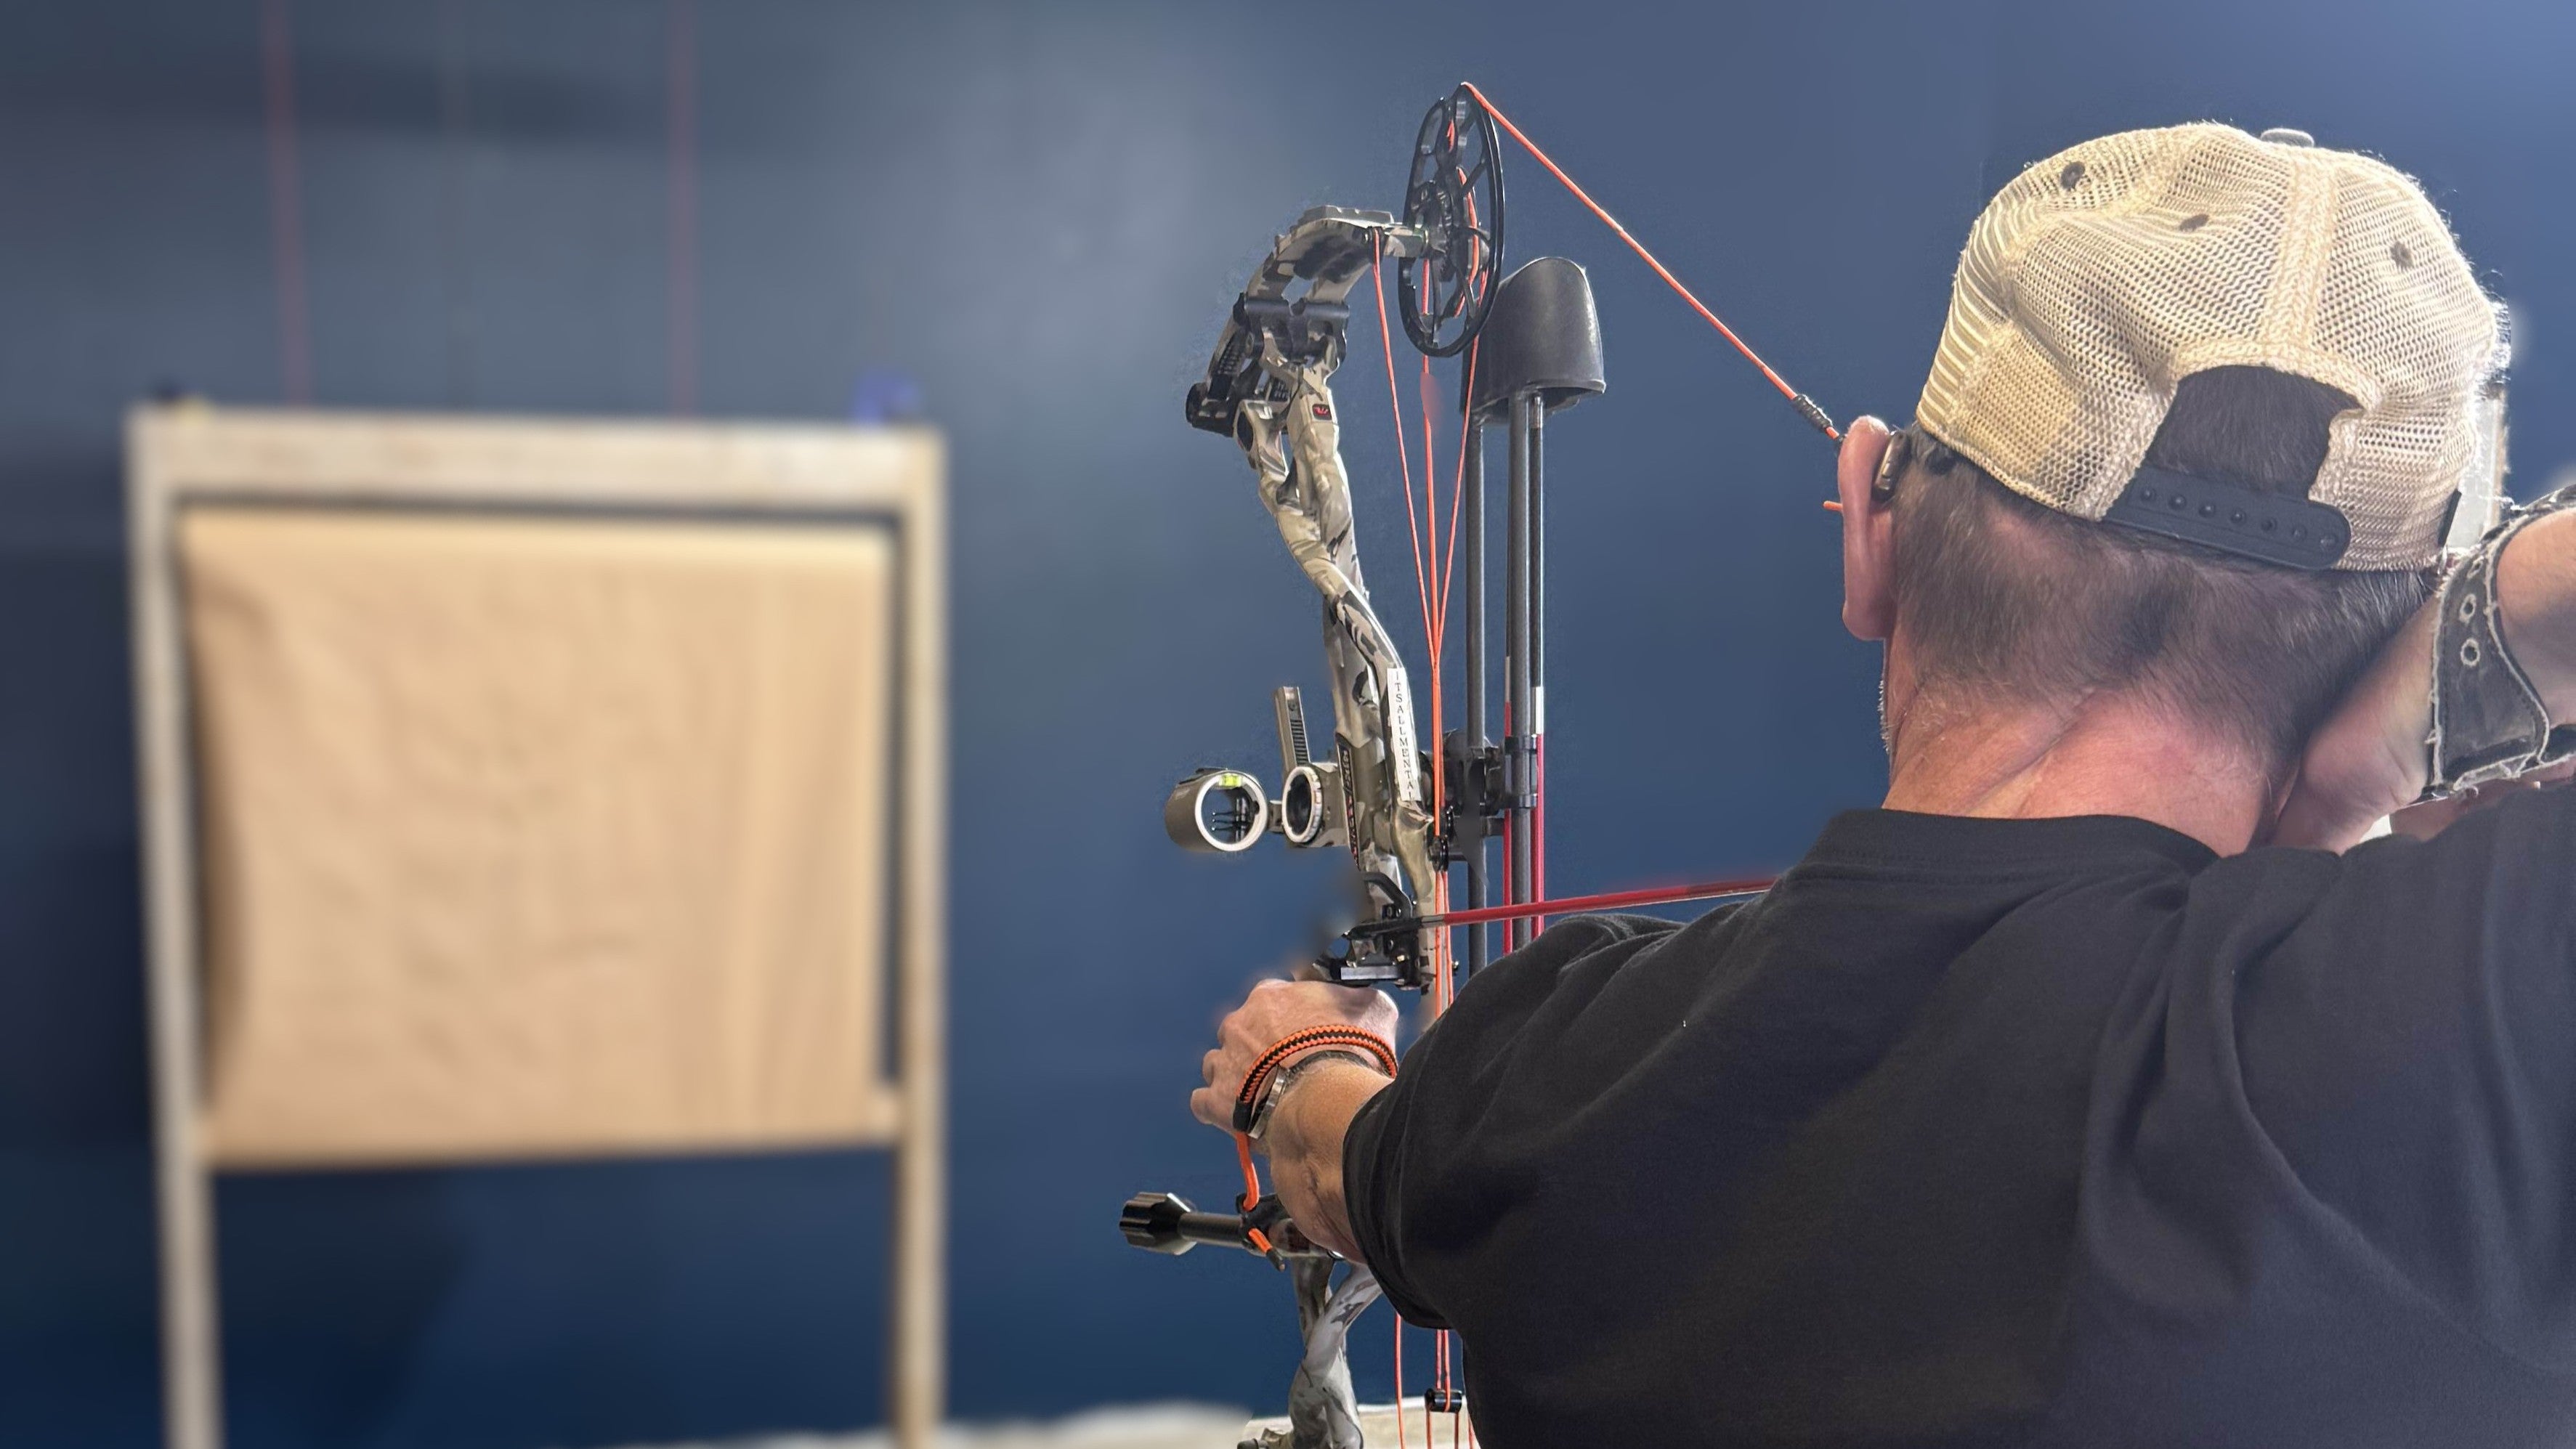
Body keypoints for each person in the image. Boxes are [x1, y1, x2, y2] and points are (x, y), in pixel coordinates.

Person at [1187, 123, 2576, 1446]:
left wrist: (1296, 1064)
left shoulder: (1543, 1071)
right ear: (2389, 635)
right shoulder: (2479, 1023)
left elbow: (1330, 1158)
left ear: (1868, 529)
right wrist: (2435, 683)